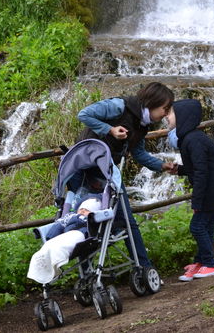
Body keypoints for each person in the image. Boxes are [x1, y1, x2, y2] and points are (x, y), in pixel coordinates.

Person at [76, 81, 177, 269]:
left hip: (107, 171)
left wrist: (161, 165)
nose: (165, 114)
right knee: (83, 219)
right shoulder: (119, 107)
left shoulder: (142, 125)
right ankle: (87, 272)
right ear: (152, 102)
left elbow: (138, 153)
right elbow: (84, 114)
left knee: (127, 222)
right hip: (84, 167)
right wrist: (110, 129)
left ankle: (143, 268)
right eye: (164, 108)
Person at [165, 99, 214, 282]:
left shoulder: (193, 140)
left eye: (170, 113)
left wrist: (196, 201)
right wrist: (180, 170)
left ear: (182, 117)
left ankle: (210, 264)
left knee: (197, 226)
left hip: (212, 190)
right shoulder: (190, 138)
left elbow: (201, 172)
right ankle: (200, 262)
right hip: (213, 188)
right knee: (206, 227)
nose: (167, 117)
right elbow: (196, 167)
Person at [27, 197, 102, 285]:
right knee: (48, 245)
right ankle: (44, 264)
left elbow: (95, 226)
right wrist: (51, 236)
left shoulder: (90, 219)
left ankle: (56, 262)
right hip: (65, 234)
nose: (82, 211)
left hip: (80, 234)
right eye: (81, 209)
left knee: (61, 246)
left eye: (86, 210)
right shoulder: (70, 216)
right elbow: (59, 224)